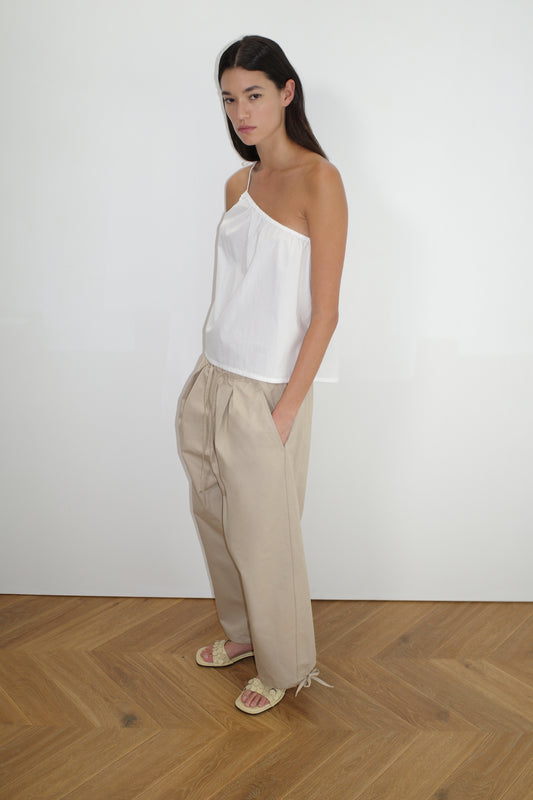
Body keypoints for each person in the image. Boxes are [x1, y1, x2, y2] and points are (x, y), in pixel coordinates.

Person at [176, 35, 347, 714]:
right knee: (216, 520)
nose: (239, 111)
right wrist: (204, 377)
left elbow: (325, 313)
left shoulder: (318, 180)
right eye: (228, 98)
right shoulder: (236, 184)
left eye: (252, 94)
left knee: (264, 536)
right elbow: (240, 288)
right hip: (213, 375)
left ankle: (285, 666)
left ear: (285, 92)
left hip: (267, 389)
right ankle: (245, 637)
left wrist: (284, 411)